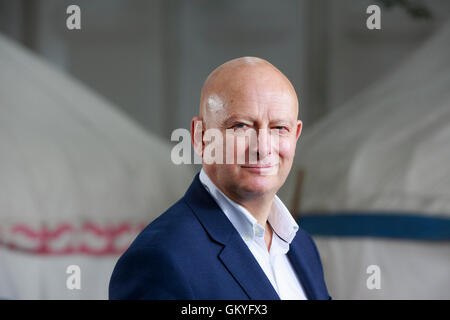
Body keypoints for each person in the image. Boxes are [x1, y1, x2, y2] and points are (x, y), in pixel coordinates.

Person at [109, 57, 330, 300]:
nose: (263, 147)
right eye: (241, 126)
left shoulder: (302, 247)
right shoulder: (159, 258)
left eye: (279, 128)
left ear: (296, 135)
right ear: (200, 137)